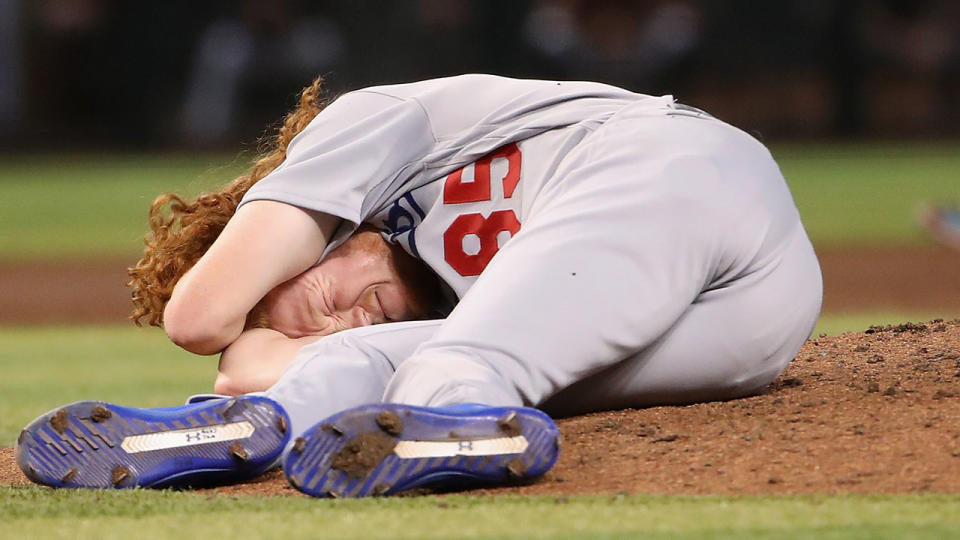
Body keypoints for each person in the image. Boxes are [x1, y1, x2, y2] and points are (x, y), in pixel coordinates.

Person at [16, 74, 822, 497]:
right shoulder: (480, 304)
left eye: (307, 306)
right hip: (744, 338)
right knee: (407, 365)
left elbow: (198, 318)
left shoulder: (366, 127)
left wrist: (251, 330)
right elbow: (273, 353)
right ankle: (253, 429)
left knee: (460, 361)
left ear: (311, 239)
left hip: (676, 170)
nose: (338, 324)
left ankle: (462, 416)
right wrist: (284, 368)